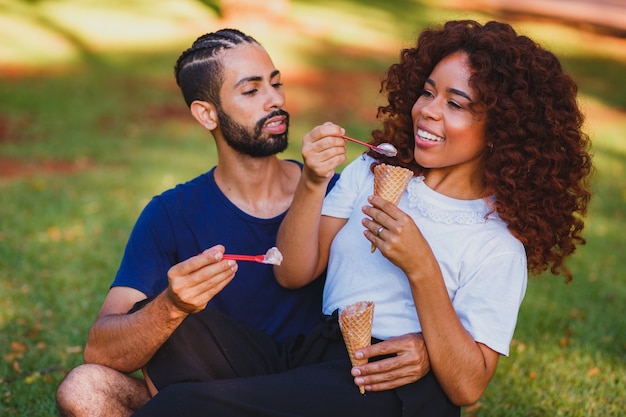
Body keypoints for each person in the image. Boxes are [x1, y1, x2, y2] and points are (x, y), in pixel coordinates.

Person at [128, 19, 592, 416]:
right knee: (168, 329)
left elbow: (467, 387)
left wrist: (420, 267)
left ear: (501, 129)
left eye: (455, 103)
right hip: (320, 355)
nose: (428, 111)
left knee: (182, 407)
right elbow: (292, 272)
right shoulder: (373, 170)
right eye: (428, 92)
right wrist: (313, 179)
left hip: (390, 384)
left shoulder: (496, 245)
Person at [55, 29, 430, 417]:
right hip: (219, 393)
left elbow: (410, 294)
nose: (276, 101)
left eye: (276, 83)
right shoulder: (171, 213)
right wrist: (172, 306)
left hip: (321, 390)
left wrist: (424, 346)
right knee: (85, 389)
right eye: (251, 91)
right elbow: (102, 350)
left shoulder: (338, 197)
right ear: (207, 113)